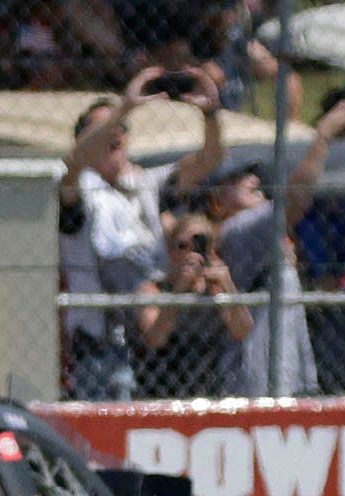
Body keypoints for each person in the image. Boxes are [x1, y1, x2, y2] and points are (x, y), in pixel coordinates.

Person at [57, 69, 228, 398]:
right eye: (103, 128)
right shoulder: (77, 188)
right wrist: (124, 108)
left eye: (121, 128)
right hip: (99, 345)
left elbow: (210, 159)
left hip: (152, 340)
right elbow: (74, 161)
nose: (115, 134)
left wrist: (210, 114)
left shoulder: (146, 183)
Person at [205, 95, 345, 396]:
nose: (251, 179)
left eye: (253, 175)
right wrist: (322, 138)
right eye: (235, 179)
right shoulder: (238, 229)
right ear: (217, 201)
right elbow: (295, 201)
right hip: (257, 383)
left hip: (286, 377)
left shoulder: (261, 232)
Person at [138, 214, 247, 398]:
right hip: (161, 388)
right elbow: (156, 338)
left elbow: (242, 330)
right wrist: (178, 291)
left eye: (198, 244)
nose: (190, 253)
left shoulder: (216, 290)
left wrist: (227, 284)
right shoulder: (154, 289)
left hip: (212, 387)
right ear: (170, 251)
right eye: (182, 246)